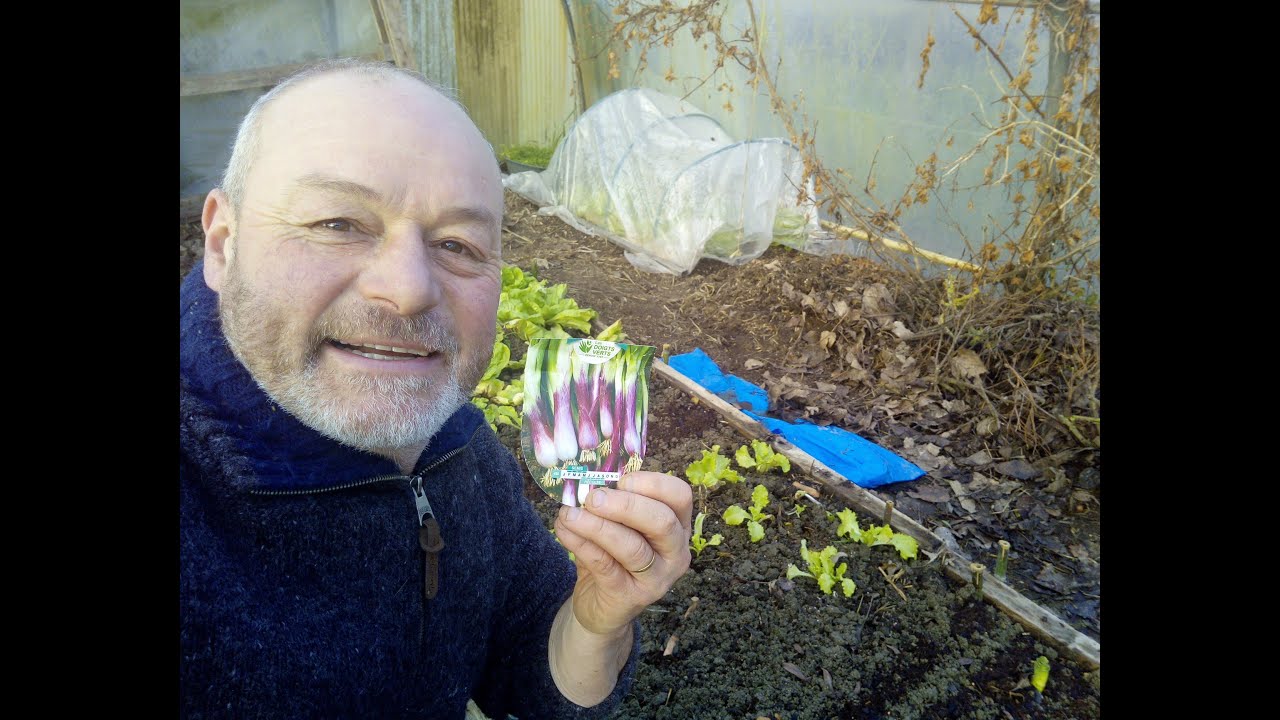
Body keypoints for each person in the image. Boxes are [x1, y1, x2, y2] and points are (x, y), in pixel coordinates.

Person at [180, 57, 693, 719]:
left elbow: (535, 673)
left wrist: (596, 618)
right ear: (223, 242)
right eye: (338, 223)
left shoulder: (458, 448)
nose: (409, 288)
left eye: (457, 244)